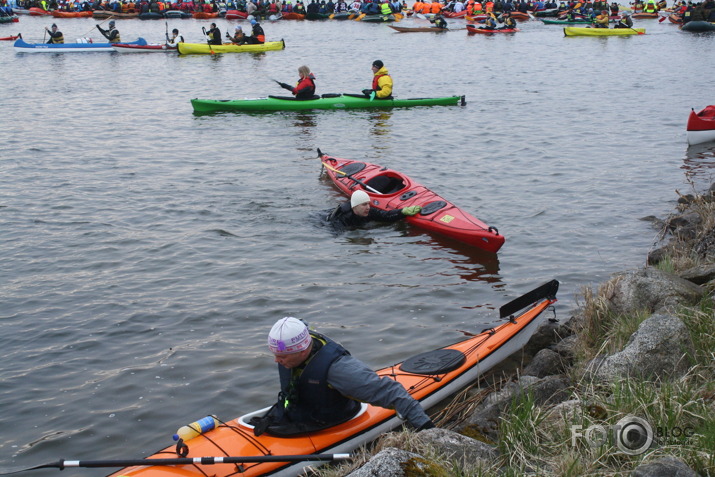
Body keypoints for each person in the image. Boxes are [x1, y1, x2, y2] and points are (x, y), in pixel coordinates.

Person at [250, 317, 436, 437]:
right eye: (274, 354)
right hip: (298, 413)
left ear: (302, 350)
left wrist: (429, 432)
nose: (276, 360)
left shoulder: (339, 370)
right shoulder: (296, 339)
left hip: (330, 422)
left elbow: (393, 392)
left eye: (282, 356)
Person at [326, 190, 421, 230]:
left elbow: (386, 216)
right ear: (355, 207)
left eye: (369, 204)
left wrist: (402, 211)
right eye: (364, 204)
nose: (368, 207)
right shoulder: (343, 218)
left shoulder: (369, 211)